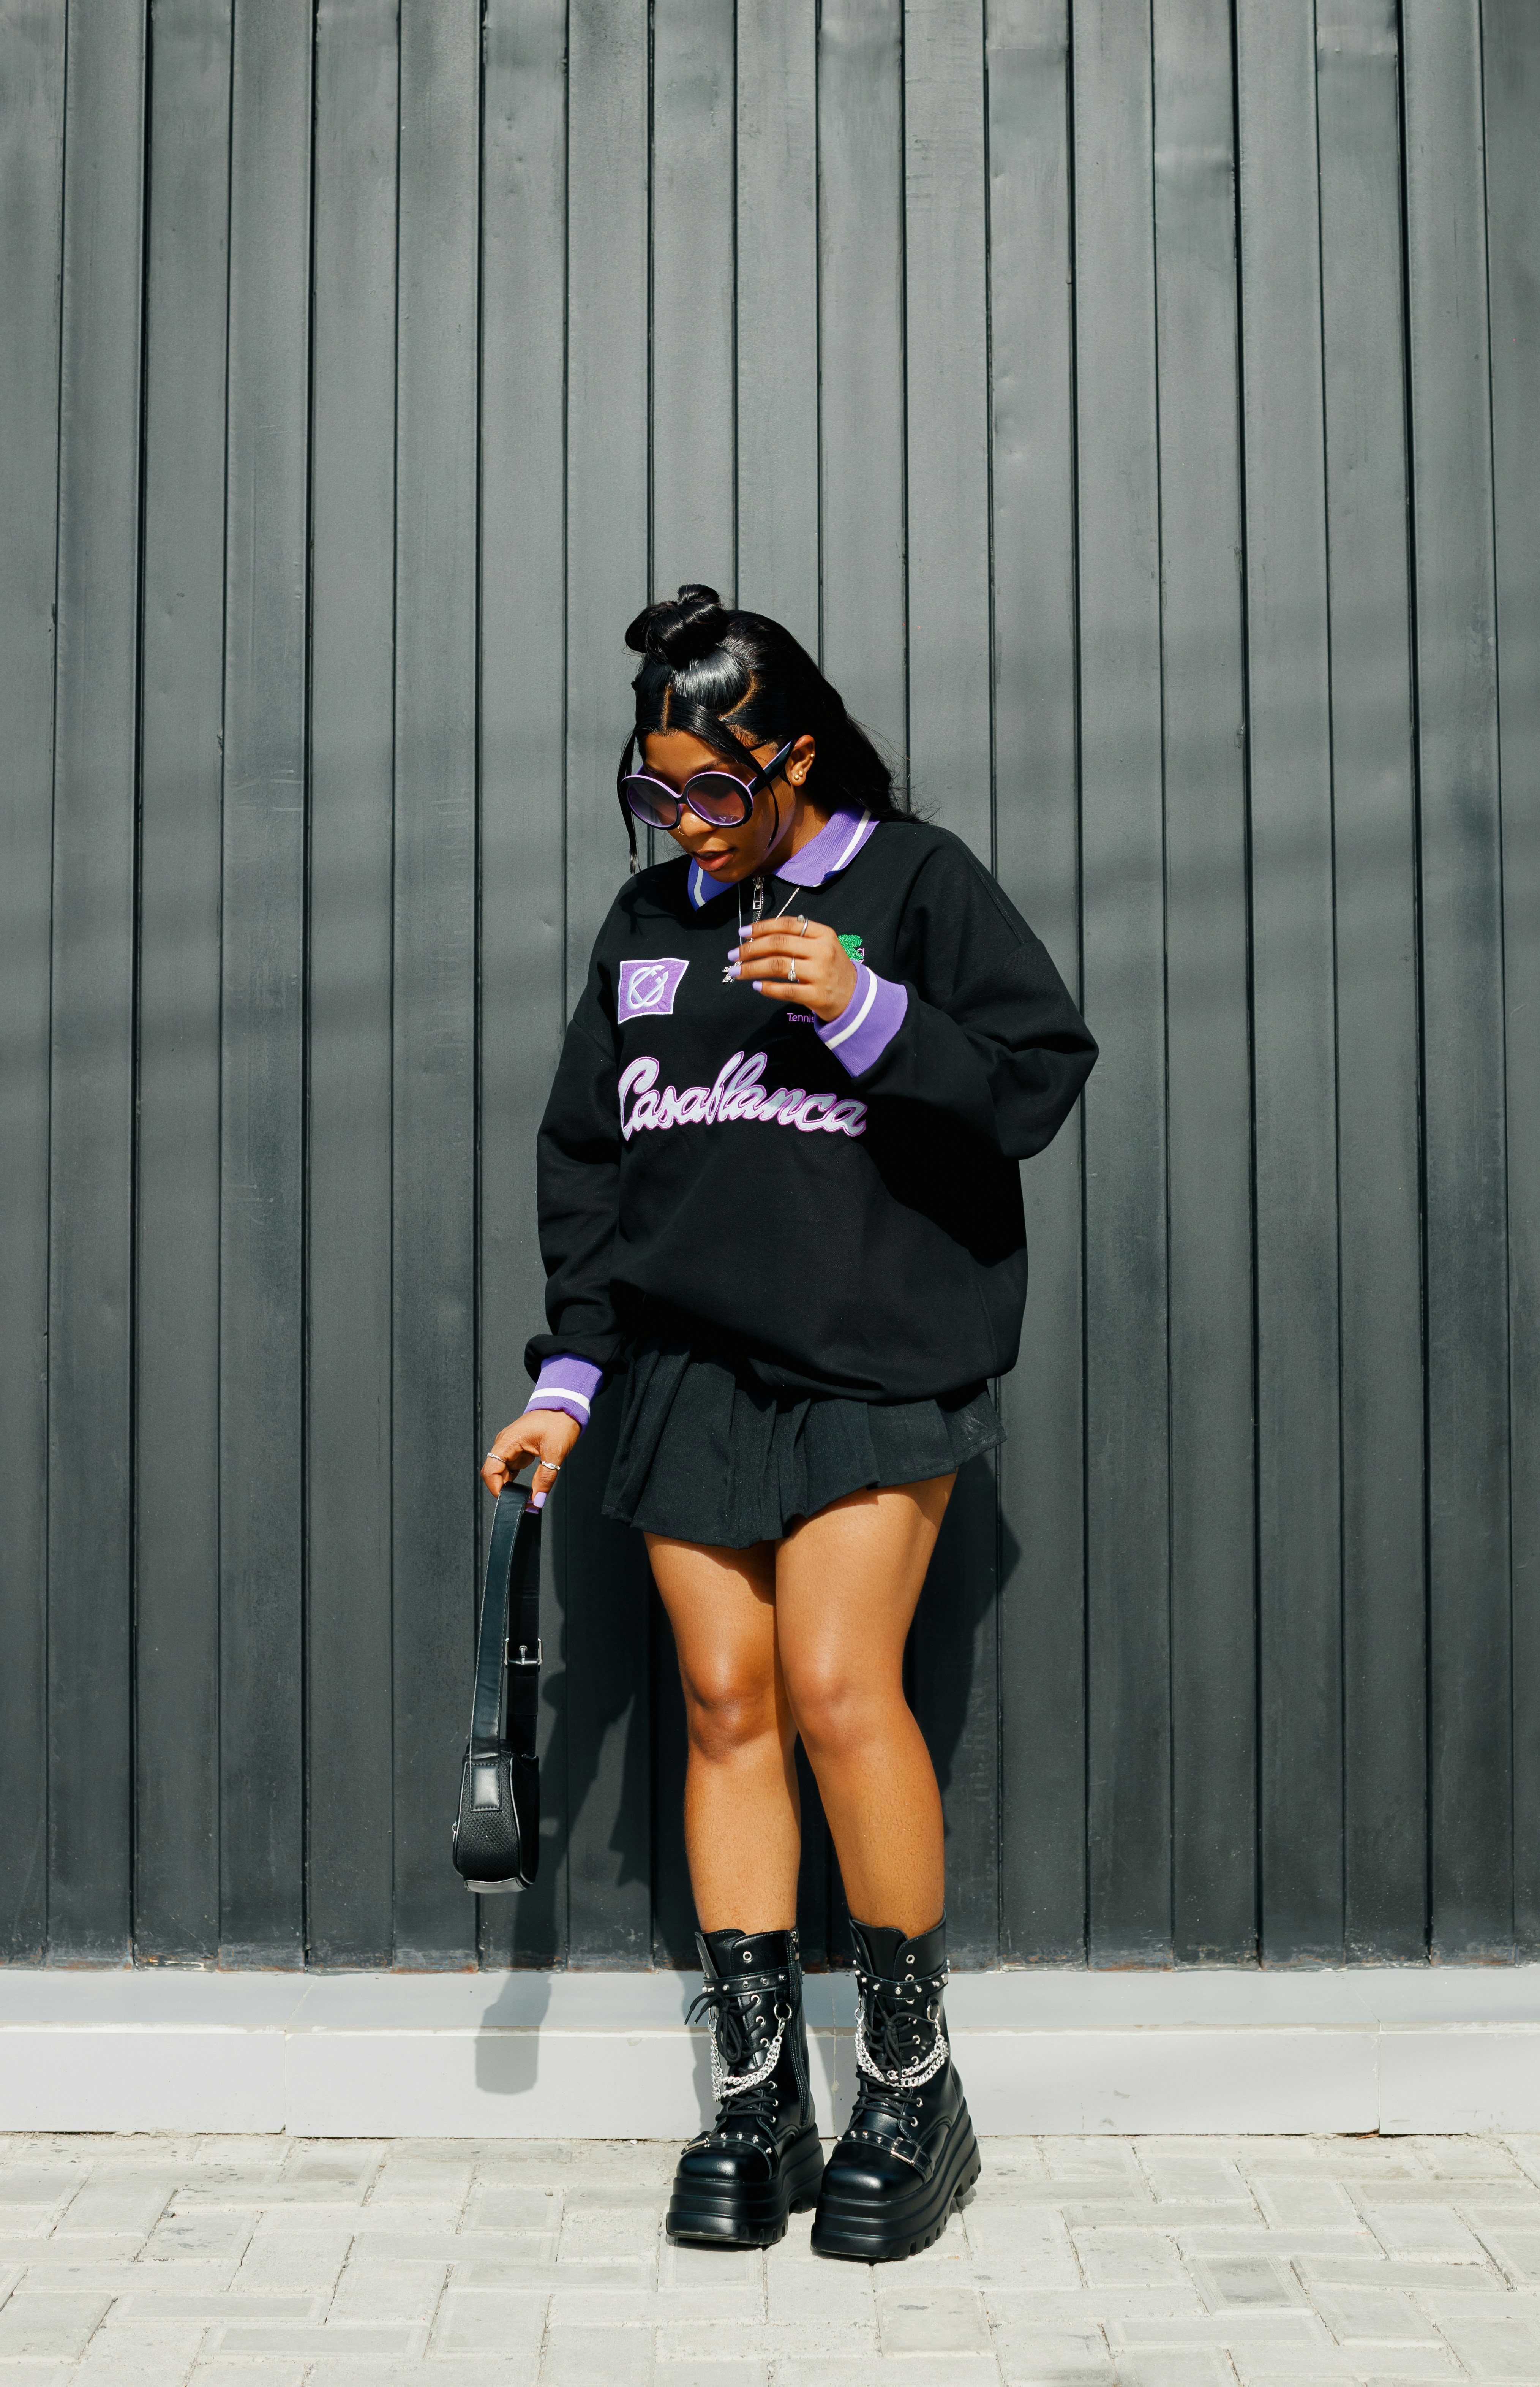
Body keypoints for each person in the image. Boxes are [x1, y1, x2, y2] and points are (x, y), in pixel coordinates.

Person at [482, 586, 1095, 2263]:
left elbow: (1036, 1077)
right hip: (689, 1368)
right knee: (724, 1697)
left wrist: (863, 1003)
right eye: (654, 787)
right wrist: (566, 1379)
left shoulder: (912, 882)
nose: (682, 819)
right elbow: (589, 1170)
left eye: (710, 789)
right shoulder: (646, 923)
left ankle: (909, 2083)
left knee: (836, 1685)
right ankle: (757, 2094)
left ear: (793, 759)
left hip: (877, 1363)